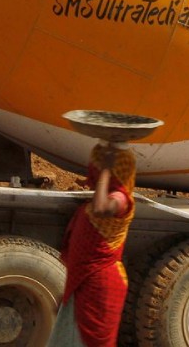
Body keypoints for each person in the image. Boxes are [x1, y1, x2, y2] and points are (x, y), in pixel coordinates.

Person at [46, 140, 136, 347]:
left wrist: (106, 171)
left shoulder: (121, 199)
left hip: (101, 286)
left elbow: (101, 209)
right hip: (84, 283)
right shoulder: (94, 200)